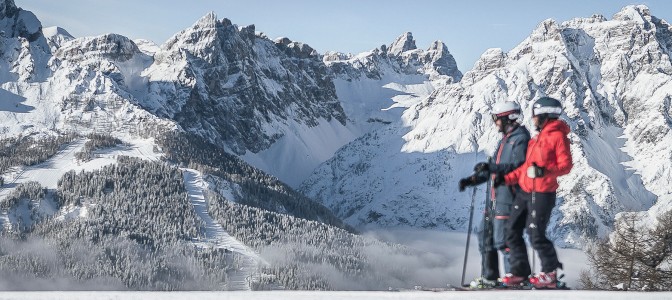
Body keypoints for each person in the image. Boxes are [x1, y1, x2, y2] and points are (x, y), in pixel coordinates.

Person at [494, 96, 573, 288]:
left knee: (535, 233)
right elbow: (525, 169)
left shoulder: (557, 136)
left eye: (536, 116)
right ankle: (520, 273)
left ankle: (550, 273)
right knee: (512, 230)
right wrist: (506, 178)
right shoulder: (536, 139)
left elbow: (566, 166)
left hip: (543, 193)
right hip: (525, 192)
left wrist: (544, 171)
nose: (533, 119)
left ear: (545, 116)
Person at [458, 101, 530, 288]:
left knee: (504, 240)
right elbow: (494, 168)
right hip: (495, 199)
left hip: (509, 196)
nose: (495, 123)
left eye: (497, 119)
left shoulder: (520, 138)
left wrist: (492, 167)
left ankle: (516, 278)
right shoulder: (505, 140)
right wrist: (473, 179)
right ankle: (490, 277)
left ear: (508, 118)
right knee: (484, 235)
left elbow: (518, 165)